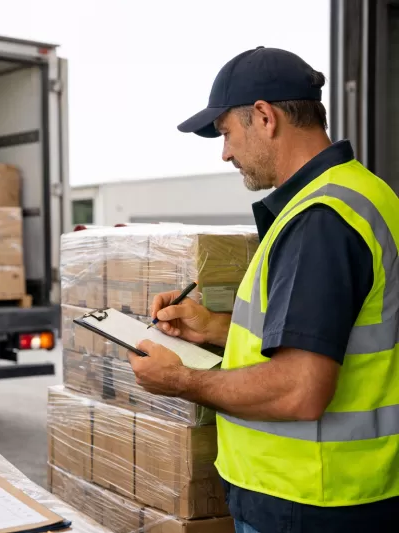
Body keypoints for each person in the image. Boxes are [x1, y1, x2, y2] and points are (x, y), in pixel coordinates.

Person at [128, 47, 398, 533]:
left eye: (227, 133)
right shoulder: (361, 193)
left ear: (264, 117)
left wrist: (181, 382)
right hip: (345, 493)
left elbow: (301, 389)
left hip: (310, 499)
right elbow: (338, 335)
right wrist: (213, 328)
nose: (225, 152)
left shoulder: (322, 219)